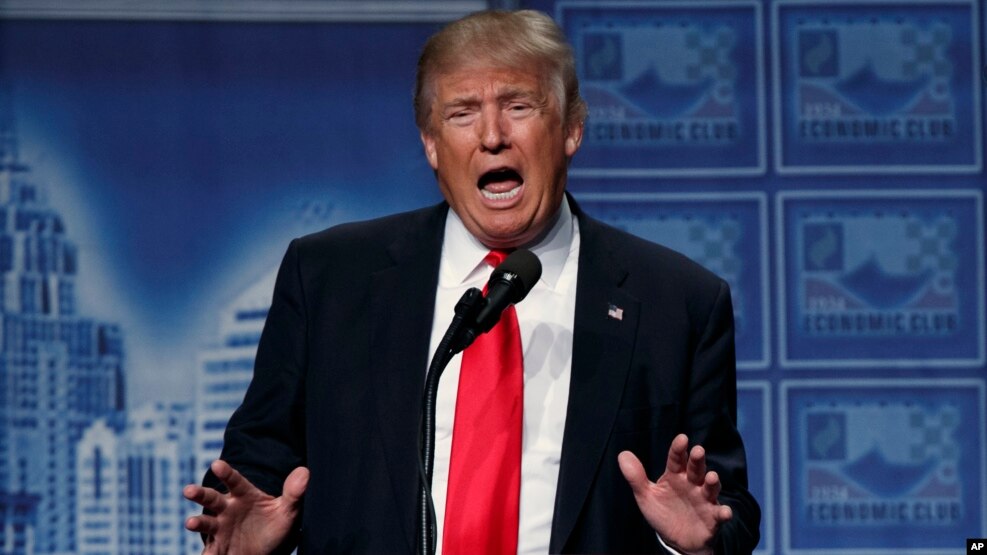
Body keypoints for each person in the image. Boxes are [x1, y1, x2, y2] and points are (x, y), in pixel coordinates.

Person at [183, 9, 760, 555]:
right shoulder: (330, 279)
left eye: (519, 106)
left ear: (572, 129)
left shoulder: (677, 303)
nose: (491, 136)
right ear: (431, 144)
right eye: (462, 113)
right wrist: (255, 536)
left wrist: (694, 543)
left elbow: (724, 510)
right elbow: (260, 473)